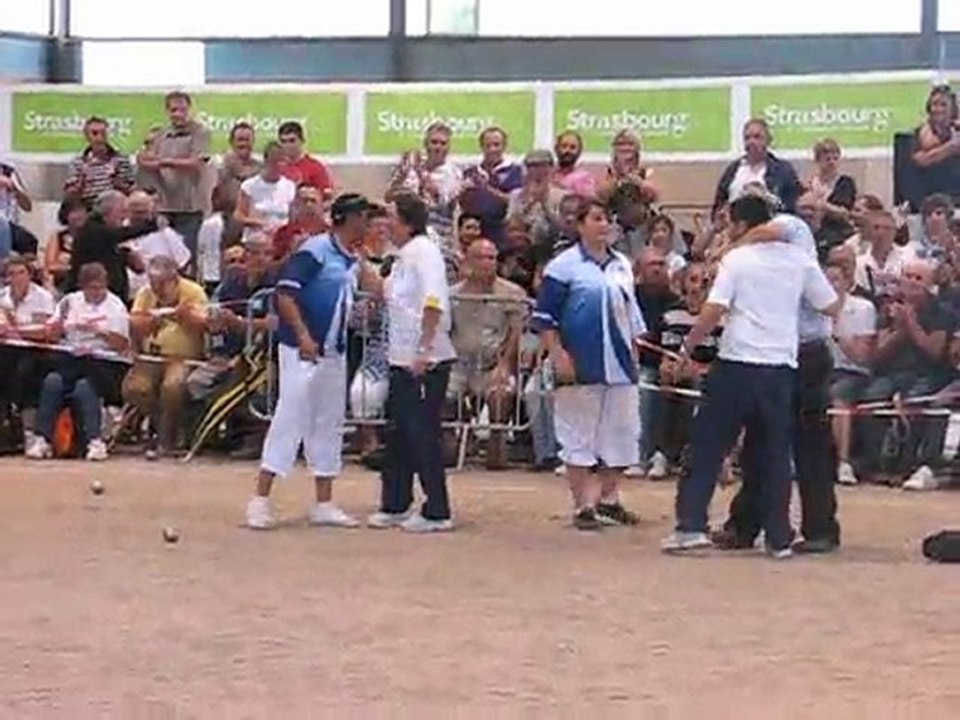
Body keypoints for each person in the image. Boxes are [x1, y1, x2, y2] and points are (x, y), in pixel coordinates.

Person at [663, 195, 840, 558]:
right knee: (776, 453)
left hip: (739, 361)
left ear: (743, 224)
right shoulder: (801, 259)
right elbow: (830, 305)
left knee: (708, 446)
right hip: (781, 367)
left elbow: (715, 309)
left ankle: (691, 526)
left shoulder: (737, 258)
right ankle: (778, 537)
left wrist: (687, 349)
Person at [716, 198, 846, 554]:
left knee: (808, 445)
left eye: (733, 223)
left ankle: (818, 529)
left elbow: (771, 229)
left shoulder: (791, 227)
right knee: (762, 440)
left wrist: (732, 247)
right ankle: (746, 525)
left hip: (805, 352)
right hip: (777, 353)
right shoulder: (756, 258)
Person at [244, 194, 372, 531]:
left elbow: (377, 290)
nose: (368, 223)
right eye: (363, 216)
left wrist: (364, 260)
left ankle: (324, 501)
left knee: (329, 421)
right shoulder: (314, 252)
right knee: (291, 415)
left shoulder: (353, 257)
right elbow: (285, 294)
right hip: (302, 348)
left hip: (334, 350)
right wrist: (301, 334)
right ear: (346, 218)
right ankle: (260, 499)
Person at [532, 198, 645, 531]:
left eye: (607, 219)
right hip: (581, 360)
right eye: (595, 219)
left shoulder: (622, 263)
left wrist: (634, 353)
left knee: (622, 430)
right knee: (578, 431)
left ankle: (609, 499)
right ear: (579, 225)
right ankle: (582, 504)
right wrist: (558, 354)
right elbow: (544, 317)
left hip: (621, 363)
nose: (603, 225)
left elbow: (631, 315)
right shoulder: (563, 267)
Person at [364, 194, 457, 533]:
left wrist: (424, 348)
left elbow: (434, 302)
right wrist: (358, 255)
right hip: (400, 358)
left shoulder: (425, 252)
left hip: (425, 360)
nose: (384, 223)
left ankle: (437, 509)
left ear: (406, 221)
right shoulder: (401, 257)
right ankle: (396, 502)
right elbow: (383, 291)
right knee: (398, 432)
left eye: (389, 216)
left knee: (422, 433)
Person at [26, 262, 130, 461]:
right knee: (52, 382)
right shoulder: (69, 302)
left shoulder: (115, 306)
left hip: (103, 360)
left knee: (84, 387)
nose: (96, 292)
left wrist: (97, 331)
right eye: (91, 288)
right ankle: (43, 438)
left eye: (100, 287)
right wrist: (59, 325)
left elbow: (121, 344)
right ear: (82, 287)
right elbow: (53, 333)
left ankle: (95, 441)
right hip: (71, 357)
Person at [136, 91, 211, 276]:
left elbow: (196, 163)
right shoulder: (161, 135)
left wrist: (163, 161)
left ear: (189, 109)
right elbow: (148, 160)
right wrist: (145, 160)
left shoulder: (200, 132)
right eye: (173, 110)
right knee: (162, 259)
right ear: (167, 111)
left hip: (190, 208)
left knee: (185, 259)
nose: (178, 114)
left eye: (182, 109)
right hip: (164, 206)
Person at [67, 190, 152, 303]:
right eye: (122, 211)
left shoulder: (104, 232)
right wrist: (151, 226)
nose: (124, 216)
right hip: (89, 299)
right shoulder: (92, 229)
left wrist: (125, 255)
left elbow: (105, 251)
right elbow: (120, 234)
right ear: (108, 212)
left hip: (114, 298)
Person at [385, 121, 462, 239]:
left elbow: (441, 203)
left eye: (443, 143)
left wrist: (420, 172)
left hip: (437, 234)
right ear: (426, 144)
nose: (438, 147)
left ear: (448, 147)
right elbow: (388, 197)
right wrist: (401, 174)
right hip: (406, 232)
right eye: (434, 142)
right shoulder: (410, 168)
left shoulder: (453, 173)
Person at [713, 118, 803, 215]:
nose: (751, 142)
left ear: (768, 140)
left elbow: (791, 206)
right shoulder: (733, 170)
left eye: (757, 137)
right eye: (747, 138)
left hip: (771, 224)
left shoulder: (783, 170)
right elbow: (719, 203)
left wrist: (765, 195)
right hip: (735, 225)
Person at [63, 116, 135, 207]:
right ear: (87, 136)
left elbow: (131, 190)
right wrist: (82, 178)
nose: (99, 138)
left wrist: (116, 180)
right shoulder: (78, 161)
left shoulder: (120, 158)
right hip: (88, 207)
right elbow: (70, 194)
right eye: (95, 133)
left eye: (103, 133)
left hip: (114, 207)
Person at [235, 141, 297, 243]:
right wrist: (260, 223)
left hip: (281, 240)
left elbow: (293, 218)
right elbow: (239, 216)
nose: (278, 165)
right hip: (255, 239)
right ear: (266, 161)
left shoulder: (290, 187)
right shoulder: (249, 186)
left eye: (282, 161)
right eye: (274, 161)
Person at [277, 121, 334, 198]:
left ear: (302, 141)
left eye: (292, 141)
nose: (287, 145)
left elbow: (327, 197)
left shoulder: (316, 168)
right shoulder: (275, 168)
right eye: (283, 141)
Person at [44, 198, 87, 293]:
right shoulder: (57, 236)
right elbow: (50, 266)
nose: (78, 215)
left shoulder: (93, 236)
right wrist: (72, 269)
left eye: (81, 211)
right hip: (63, 285)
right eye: (74, 211)